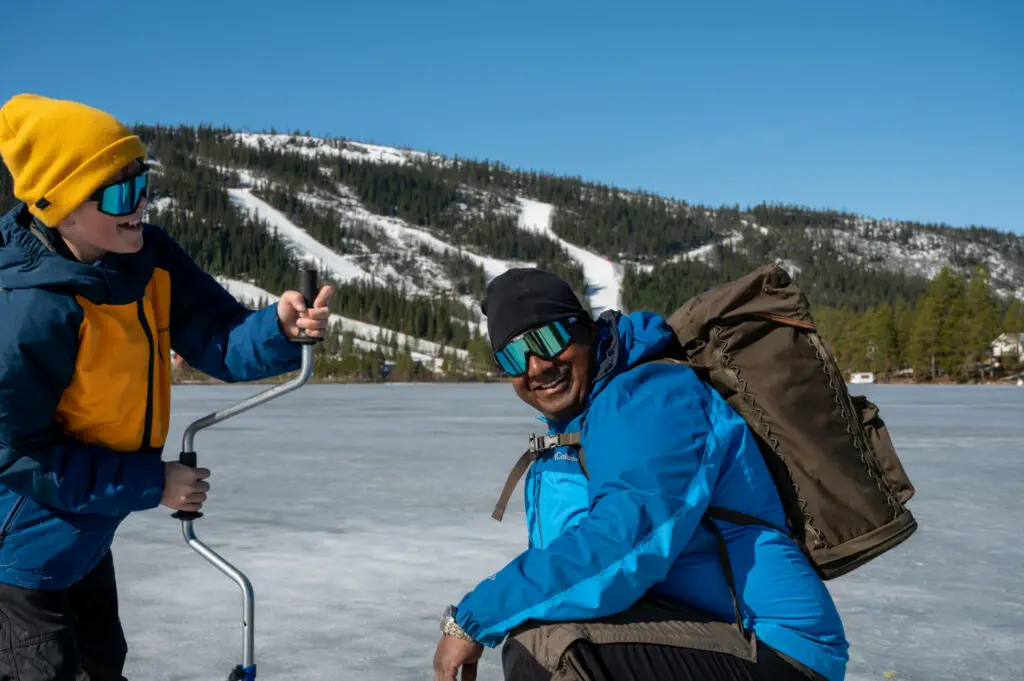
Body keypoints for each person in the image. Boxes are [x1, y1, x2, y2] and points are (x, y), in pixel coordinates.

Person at [0, 93, 334, 681]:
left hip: (83, 532)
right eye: (118, 192)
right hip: (20, 557)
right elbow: (16, 454)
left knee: (103, 665)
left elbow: (218, 339)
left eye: (142, 182)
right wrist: (152, 483)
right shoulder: (29, 312)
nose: (140, 205)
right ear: (59, 207)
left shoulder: (147, 257)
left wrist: (278, 329)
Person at [432, 268, 849, 681]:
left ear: (585, 329)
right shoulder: (589, 417)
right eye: (511, 356)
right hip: (702, 629)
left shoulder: (654, 397)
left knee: (550, 647)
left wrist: (477, 616)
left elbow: (622, 541)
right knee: (544, 634)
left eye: (547, 339)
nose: (536, 366)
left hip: (775, 645)